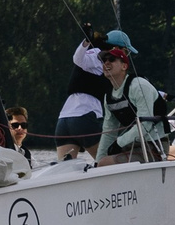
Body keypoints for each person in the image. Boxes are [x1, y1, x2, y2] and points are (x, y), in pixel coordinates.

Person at [93, 42, 167, 166]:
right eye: (104, 60)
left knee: (105, 163)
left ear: (124, 66)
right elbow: (109, 131)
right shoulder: (109, 97)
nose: (106, 63)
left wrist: (118, 143)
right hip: (131, 146)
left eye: (112, 59)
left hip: (154, 147)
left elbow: (145, 124)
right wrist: (97, 161)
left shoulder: (139, 86)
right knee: (101, 163)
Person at [51, 24, 110, 159]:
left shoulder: (99, 59)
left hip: (64, 119)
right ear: (115, 47)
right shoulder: (99, 54)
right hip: (84, 117)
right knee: (107, 162)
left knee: (64, 169)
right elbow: (78, 58)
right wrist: (86, 41)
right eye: (126, 51)